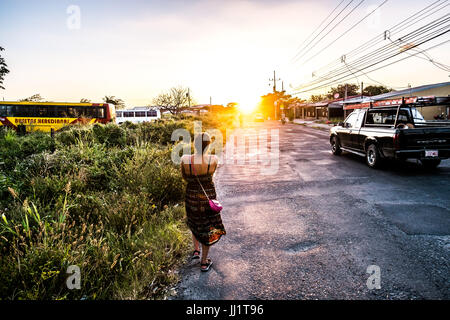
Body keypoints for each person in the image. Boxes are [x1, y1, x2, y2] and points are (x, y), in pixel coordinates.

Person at [181, 132, 226, 272]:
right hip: (208, 197)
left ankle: (196, 250)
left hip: (192, 196)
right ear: (208, 145)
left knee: (194, 221)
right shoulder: (213, 159)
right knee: (207, 227)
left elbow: (184, 177)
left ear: (194, 144)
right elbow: (212, 176)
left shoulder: (185, 159)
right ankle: (204, 262)